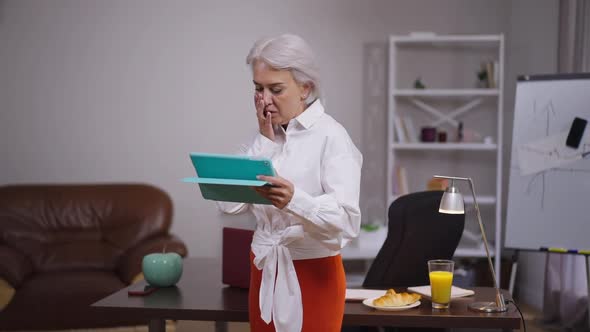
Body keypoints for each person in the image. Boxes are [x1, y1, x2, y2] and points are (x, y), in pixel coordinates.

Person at [217, 34, 362, 332]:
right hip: (264, 268)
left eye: (276, 89)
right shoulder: (262, 137)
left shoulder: (332, 137)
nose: (265, 100)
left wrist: (296, 200)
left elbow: (348, 221)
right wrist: (264, 141)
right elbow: (228, 204)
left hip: (314, 274)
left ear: (305, 88)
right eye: (258, 88)